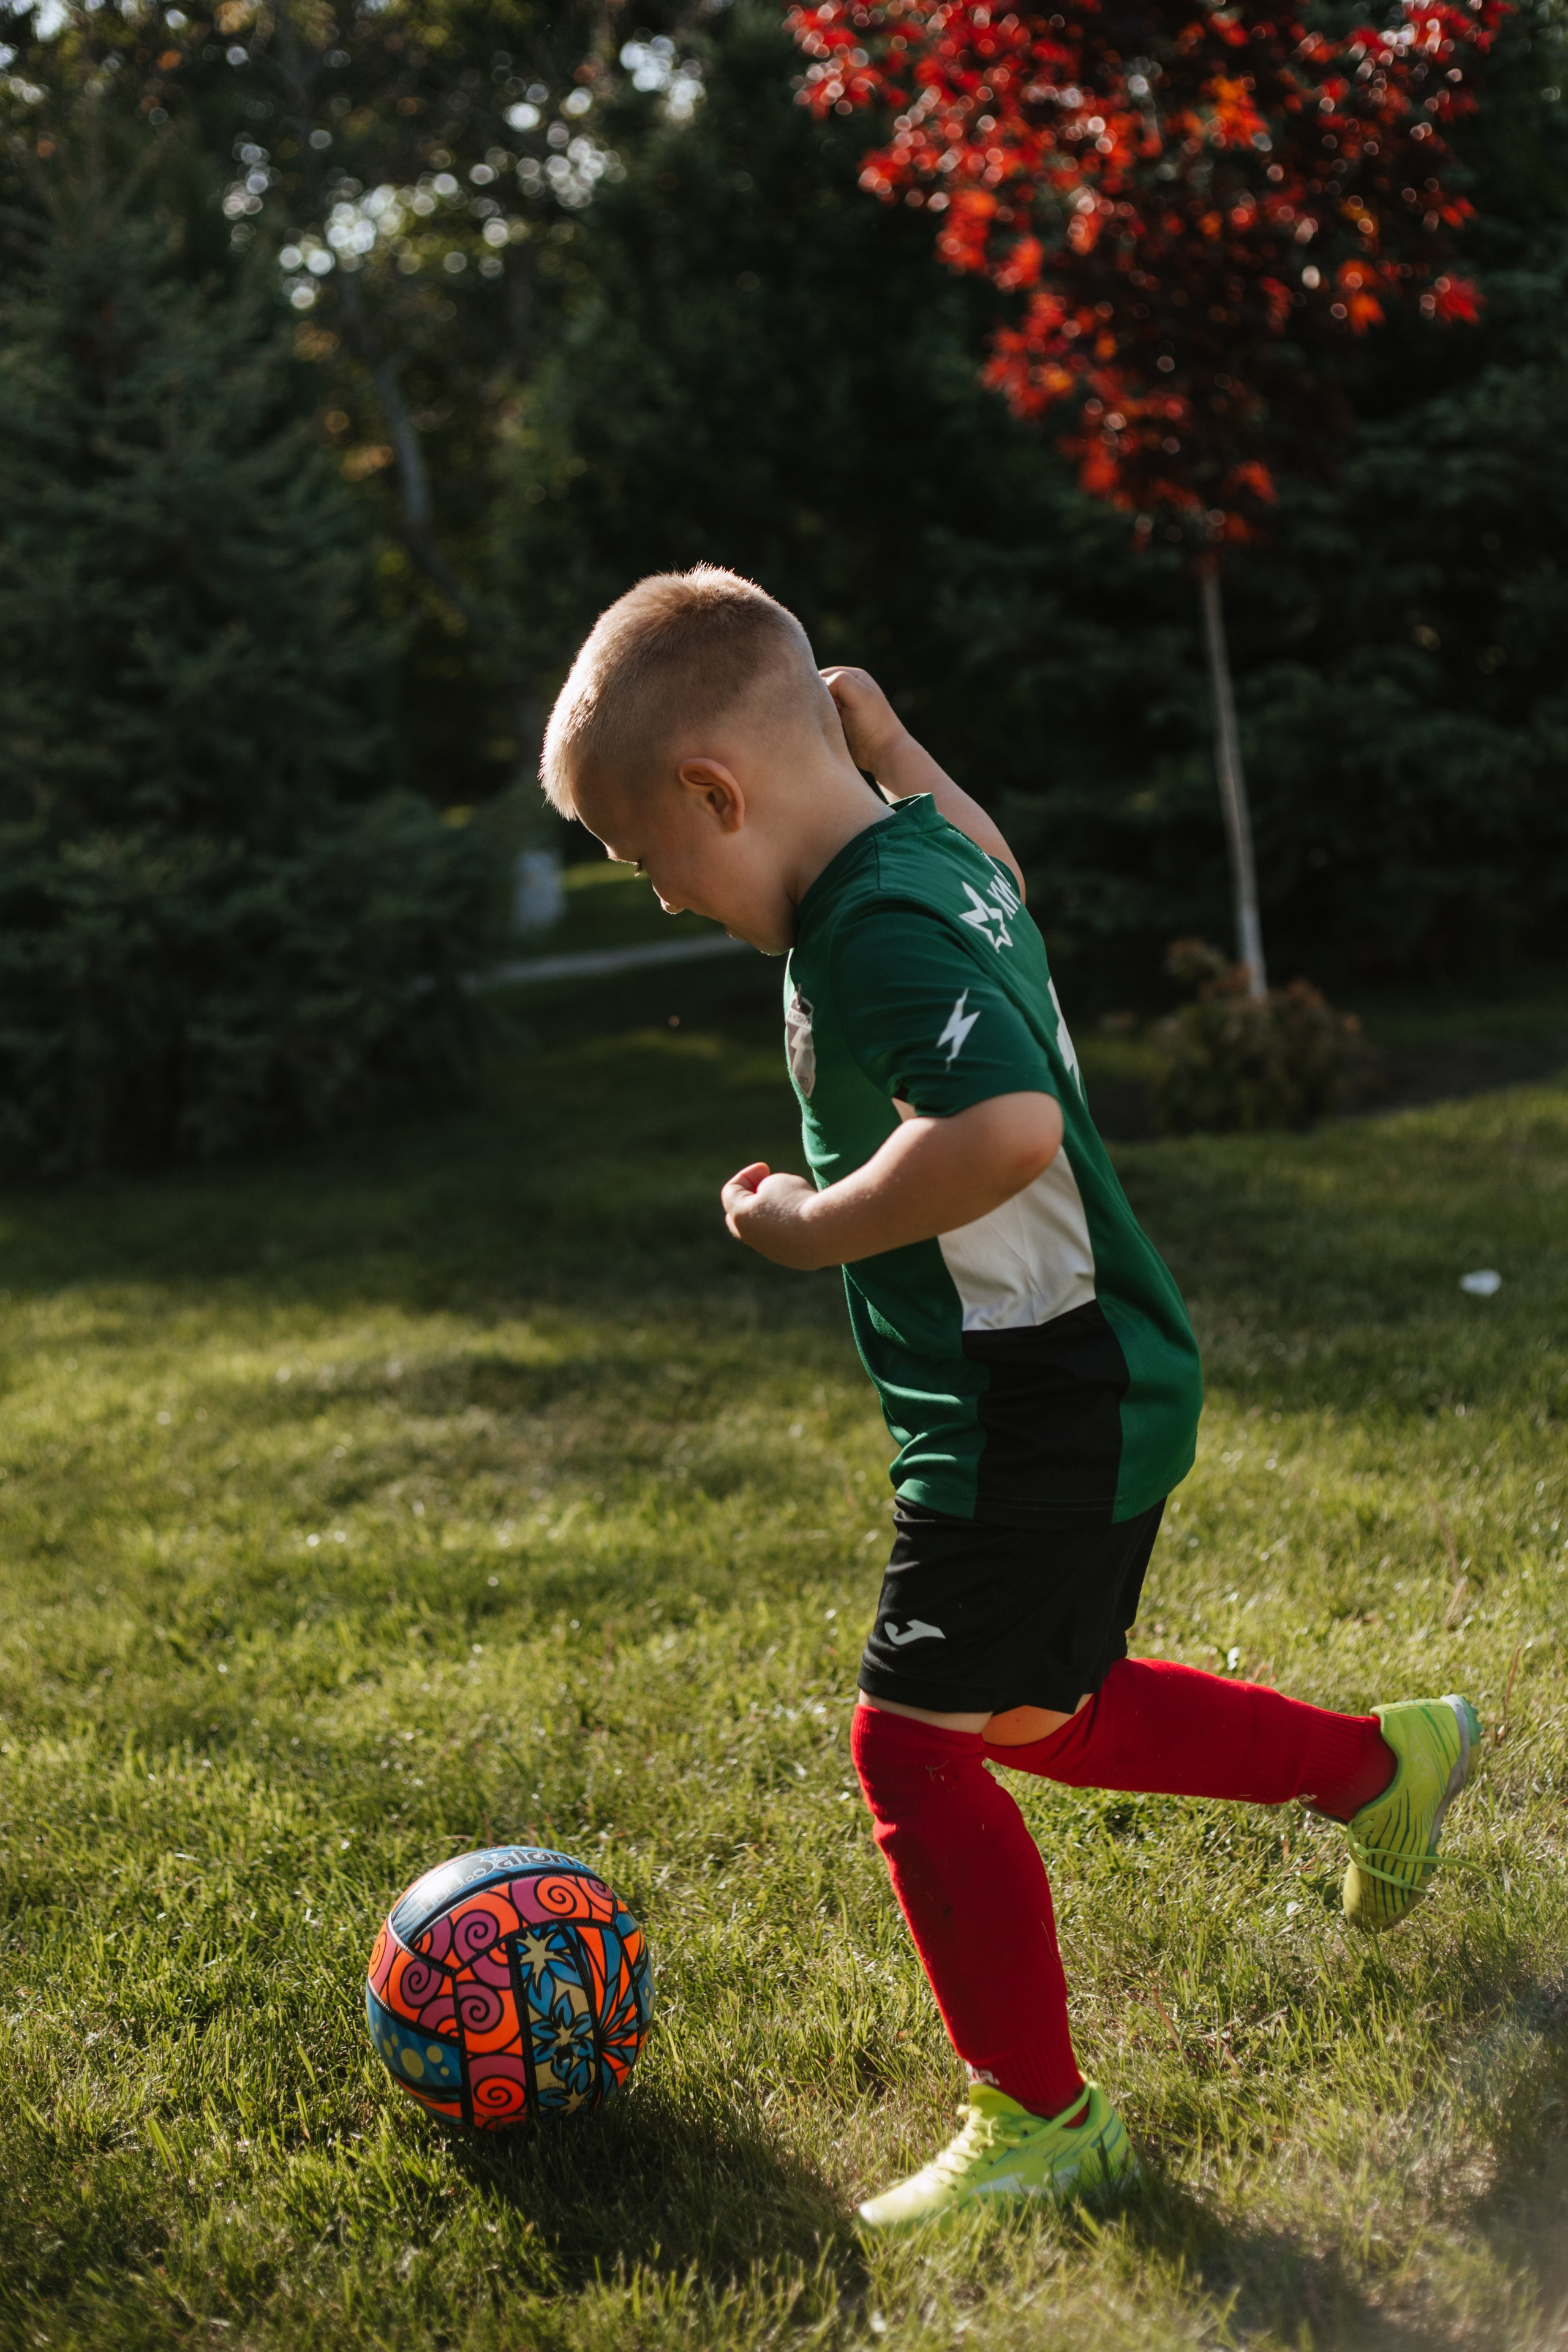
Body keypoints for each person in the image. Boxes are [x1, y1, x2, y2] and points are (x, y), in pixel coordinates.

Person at [539, 564, 1481, 2229]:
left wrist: (812, 1227)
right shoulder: (918, 855)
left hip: (1032, 1402)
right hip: (1081, 1376)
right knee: (1043, 1718)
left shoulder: (874, 932)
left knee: (909, 1748)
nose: (668, 900)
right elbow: (1004, 866)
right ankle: (1371, 1769)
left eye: (649, 861)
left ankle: (1044, 2118)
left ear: (716, 791)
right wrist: (895, 743)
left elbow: (1006, 1133)